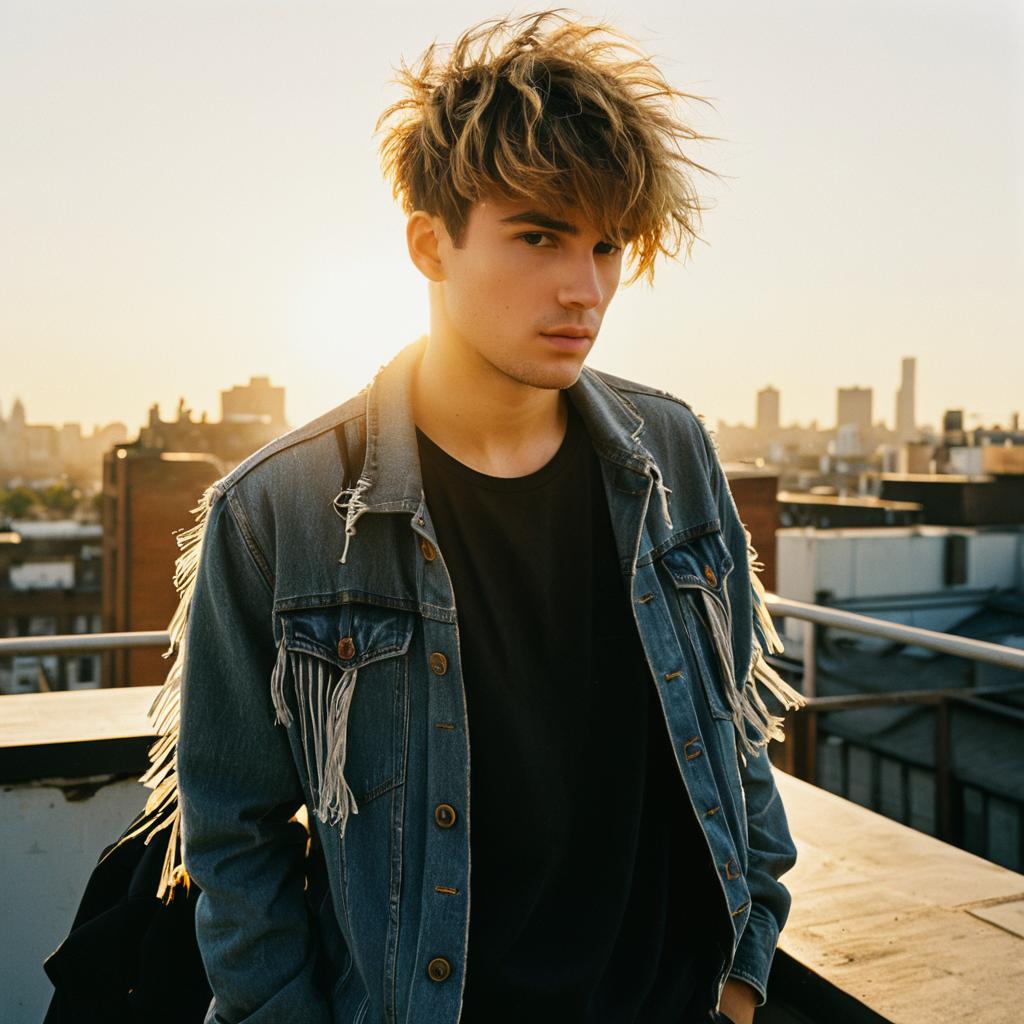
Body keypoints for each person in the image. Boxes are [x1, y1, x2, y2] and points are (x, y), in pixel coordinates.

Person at [138, 10, 808, 1024]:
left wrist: (741, 972)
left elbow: (733, 726)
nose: (582, 289)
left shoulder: (669, 453)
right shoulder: (281, 510)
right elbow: (235, 833)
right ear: (428, 244)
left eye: (606, 245)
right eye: (537, 236)